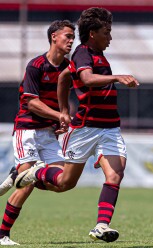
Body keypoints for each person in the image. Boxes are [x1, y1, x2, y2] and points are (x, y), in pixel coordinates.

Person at [15, 7, 139, 243]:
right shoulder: (83, 53)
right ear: (92, 33)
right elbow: (86, 79)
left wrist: (63, 109)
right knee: (64, 183)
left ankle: (101, 226)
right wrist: (117, 77)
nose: (110, 37)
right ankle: (35, 172)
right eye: (107, 32)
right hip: (85, 128)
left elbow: (64, 78)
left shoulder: (99, 54)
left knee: (115, 174)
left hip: (109, 128)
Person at [0, 20, 75, 246]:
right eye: (67, 36)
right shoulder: (36, 66)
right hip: (27, 131)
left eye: (73, 37)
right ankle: (2, 234)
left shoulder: (68, 68)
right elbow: (32, 103)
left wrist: (63, 117)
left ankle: (20, 174)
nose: (71, 41)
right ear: (54, 37)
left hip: (49, 133)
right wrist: (59, 116)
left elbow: (64, 101)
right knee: (28, 185)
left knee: (63, 183)